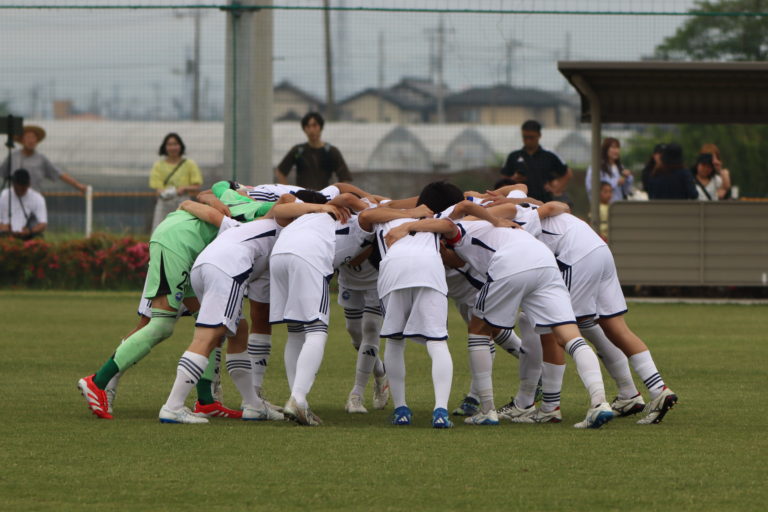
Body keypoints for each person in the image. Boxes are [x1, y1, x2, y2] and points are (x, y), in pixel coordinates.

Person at [500, 119, 572, 204]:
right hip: (519, 202)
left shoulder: (549, 156)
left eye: (531, 137)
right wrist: (513, 180)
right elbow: (504, 179)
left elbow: (567, 173)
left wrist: (555, 189)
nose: (528, 140)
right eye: (525, 137)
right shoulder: (513, 156)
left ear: (539, 135)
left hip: (544, 202)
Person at [275, 112, 352, 190]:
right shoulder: (298, 151)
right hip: (303, 196)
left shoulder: (331, 151)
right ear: (304, 129)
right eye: (308, 126)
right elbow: (280, 172)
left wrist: (337, 193)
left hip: (324, 196)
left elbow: (345, 177)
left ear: (321, 127)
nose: (311, 130)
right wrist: (287, 191)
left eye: (314, 126)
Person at [1, 124, 88, 193]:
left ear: (37, 141)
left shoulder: (41, 159)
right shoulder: (13, 157)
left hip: (34, 196)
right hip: (15, 197)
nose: (31, 141)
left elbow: (59, 173)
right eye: (28, 137)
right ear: (22, 140)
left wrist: (78, 185)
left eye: (33, 137)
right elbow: (2, 172)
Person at [150, 133, 203, 230]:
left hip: (183, 203)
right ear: (165, 147)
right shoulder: (158, 165)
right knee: (160, 228)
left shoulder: (190, 164)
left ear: (181, 146)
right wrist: (167, 193)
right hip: (164, 202)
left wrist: (184, 188)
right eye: (169, 144)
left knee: (183, 229)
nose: (173, 147)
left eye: (175, 144)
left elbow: (197, 185)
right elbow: (157, 188)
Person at [0, 169, 47, 240]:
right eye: (18, 187)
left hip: (27, 236)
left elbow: (43, 224)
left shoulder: (38, 198)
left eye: (24, 187)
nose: (21, 189)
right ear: (13, 184)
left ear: (29, 184)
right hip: (5, 235)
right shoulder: (4, 195)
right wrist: (3, 227)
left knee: (38, 236)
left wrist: (30, 231)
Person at [585, 137, 633, 202]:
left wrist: (628, 179)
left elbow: (626, 191)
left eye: (618, 147)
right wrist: (616, 182)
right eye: (613, 147)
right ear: (605, 149)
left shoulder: (621, 167)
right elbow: (591, 187)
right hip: (602, 206)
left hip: (618, 205)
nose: (616, 151)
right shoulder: (596, 167)